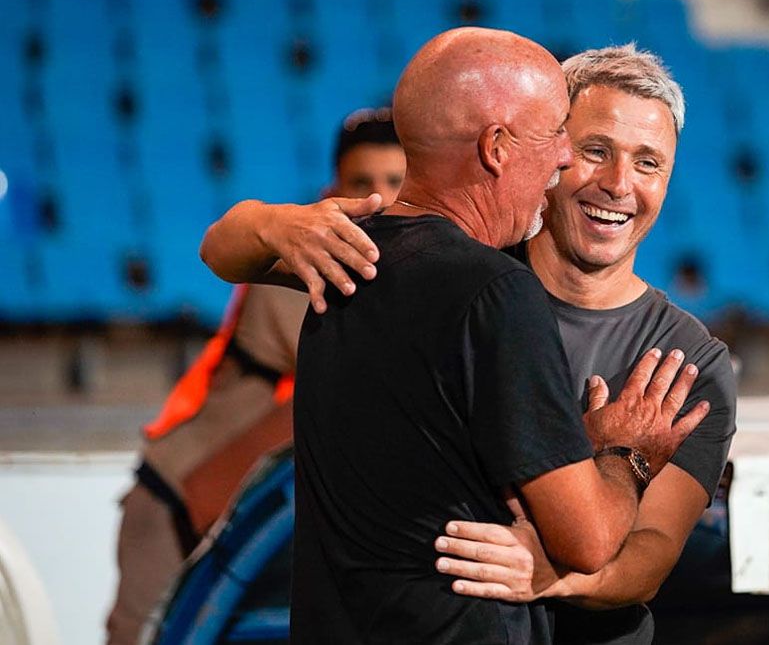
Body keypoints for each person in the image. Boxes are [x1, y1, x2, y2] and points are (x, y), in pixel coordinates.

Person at [201, 43, 737, 645]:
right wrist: (276, 220)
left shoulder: (689, 362)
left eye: (649, 164)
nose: (617, 184)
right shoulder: (435, 275)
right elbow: (222, 249)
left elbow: (652, 554)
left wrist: (550, 577)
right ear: (540, 148)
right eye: (592, 150)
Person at [104, 108, 406, 645]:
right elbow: (372, 372)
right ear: (333, 188)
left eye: (395, 182)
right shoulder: (297, 265)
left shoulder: (392, 273)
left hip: (241, 512)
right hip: (174, 499)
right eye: (363, 183)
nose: (379, 199)